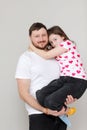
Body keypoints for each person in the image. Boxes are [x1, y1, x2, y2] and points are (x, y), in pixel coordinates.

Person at [15, 22, 75, 130]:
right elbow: (23, 93)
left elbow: (65, 82)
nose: (41, 39)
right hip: (39, 115)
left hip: (60, 114)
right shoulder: (26, 58)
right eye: (36, 36)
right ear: (30, 38)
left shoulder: (56, 56)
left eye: (44, 35)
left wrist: (69, 98)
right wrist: (45, 110)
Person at [30, 25, 87, 125]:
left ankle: (66, 111)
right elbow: (46, 53)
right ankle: (62, 111)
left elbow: (46, 55)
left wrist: (32, 47)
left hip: (77, 81)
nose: (54, 43)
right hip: (64, 79)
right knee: (40, 95)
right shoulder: (56, 51)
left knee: (50, 102)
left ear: (63, 37)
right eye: (51, 42)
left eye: (55, 39)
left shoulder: (67, 44)